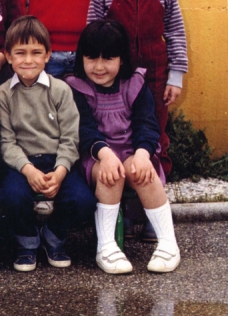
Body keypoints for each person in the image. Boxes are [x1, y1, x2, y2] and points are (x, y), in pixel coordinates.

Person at [66, 20, 179, 274]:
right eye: (91, 58)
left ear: (121, 59)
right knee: (111, 174)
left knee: (144, 172)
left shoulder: (135, 84)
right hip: (96, 157)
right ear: (81, 58)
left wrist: (142, 155)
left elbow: (147, 125)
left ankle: (168, 243)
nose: (99, 66)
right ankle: (106, 247)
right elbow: (84, 130)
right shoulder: (75, 86)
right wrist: (104, 155)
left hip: (132, 151)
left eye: (108, 59)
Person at [87, 0, 187, 176]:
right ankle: (119, 192)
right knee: (117, 131)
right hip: (115, 75)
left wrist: (175, 76)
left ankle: (154, 194)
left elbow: (175, 31)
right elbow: (91, 34)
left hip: (156, 73)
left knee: (154, 131)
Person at [0, 15, 96, 272]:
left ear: (48, 55)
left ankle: (53, 236)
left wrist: (61, 171)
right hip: (23, 163)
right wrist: (27, 169)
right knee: (12, 196)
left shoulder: (61, 90)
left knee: (83, 199)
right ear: (8, 56)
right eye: (20, 53)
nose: (28, 60)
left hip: (56, 160)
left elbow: (70, 138)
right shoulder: (3, 93)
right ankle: (27, 241)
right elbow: (7, 141)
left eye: (36, 53)